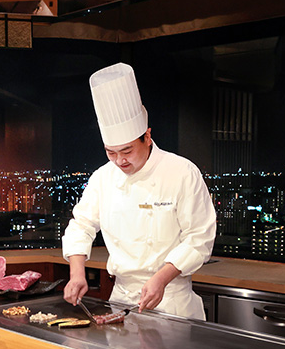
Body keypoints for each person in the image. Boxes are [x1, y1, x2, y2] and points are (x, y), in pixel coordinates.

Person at [62, 63, 217, 319]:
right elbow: (81, 225)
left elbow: (198, 239)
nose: (120, 161)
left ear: (147, 136)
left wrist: (162, 278)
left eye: (127, 151)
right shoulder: (103, 177)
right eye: (111, 152)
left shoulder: (181, 172)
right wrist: (77, 273)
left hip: (172, 300)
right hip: (121, 301)